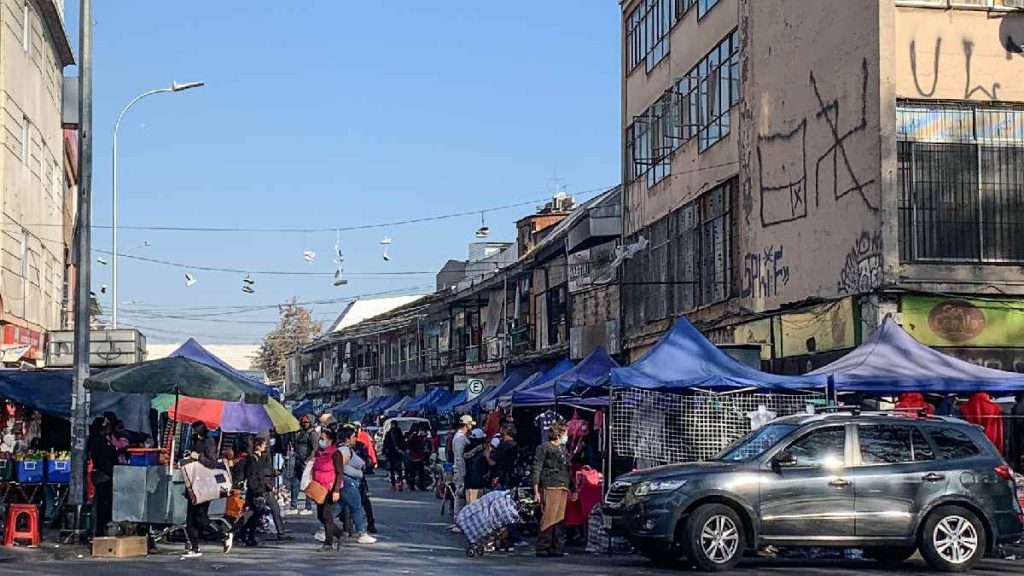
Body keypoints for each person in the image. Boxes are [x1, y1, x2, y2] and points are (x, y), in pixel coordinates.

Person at [183, 422, 232, 559]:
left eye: (193, 430)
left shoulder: (209, 442)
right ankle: (195, 547)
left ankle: (223, 534)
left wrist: (198, 457)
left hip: (204, 486)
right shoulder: (195, 441)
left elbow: (212, 462)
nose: (192, 432)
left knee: (201, 518)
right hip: (194, 484)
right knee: (190, 519)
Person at [532, 422, 575, 558]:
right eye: (565, 433)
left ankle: (556, 547)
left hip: (563, 485)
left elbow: (568, 470)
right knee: (549, 517)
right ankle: (543, 547)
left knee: (559, 518)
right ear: (559, 434)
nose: (566, 436)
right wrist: (536, 490)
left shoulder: (563, 449)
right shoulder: (544, 448)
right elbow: (537, 468)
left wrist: (573, 488)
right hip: (550, 485)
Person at [336, 427, 377, 544]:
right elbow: (340, 466)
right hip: (348, 482)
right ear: (347, 438)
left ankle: (324, 527)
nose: (355, 439)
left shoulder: (348, 449)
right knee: (356, 507)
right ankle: (361, 533)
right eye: (353, 436)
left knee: (339, 507)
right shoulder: (344, 450)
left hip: (350, 481)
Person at [312, 428, 345, 552]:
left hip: (330, 488)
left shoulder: (336, 453)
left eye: (323, 438)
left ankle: (328, 543)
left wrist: (336, 490)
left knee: (327, 515)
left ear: (330, 440)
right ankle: (340, 534)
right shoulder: (319, 452)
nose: (321, 441)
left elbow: (340, 472)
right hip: (319, 488)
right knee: (321, 516)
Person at [236, 437, 273, 546]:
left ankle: (242, 533)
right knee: (255, 514)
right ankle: (245, 534)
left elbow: (260, 475)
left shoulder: (259, 458)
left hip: (258, 489)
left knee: (254, 514)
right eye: (264, 444)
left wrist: (267, 486)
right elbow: (253, 476)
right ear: (258, 446)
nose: (265, 446)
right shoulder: (253, 459)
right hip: (255, 491)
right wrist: (257, 490)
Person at [86, 416, 117, 537]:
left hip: (104, 474)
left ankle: (100, 529)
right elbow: (105, 459)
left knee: (102, 503)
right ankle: (99, 530)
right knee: (102, 504)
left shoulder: (103, 440)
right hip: (103, 474)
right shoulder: (99, 442)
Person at [347, 424, 377, 534]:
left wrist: (367, 464)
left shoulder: (360, 446)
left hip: (358, 477)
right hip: (344, 478)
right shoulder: (340, 448)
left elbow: (365, 460)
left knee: (365, 500)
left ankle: (371, 523)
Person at [290, 415, 318, 516]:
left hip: (306, 462)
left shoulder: (312, 434)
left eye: (307, 422)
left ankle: (308, 506)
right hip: (298, 460)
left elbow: (315, 448)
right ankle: (293, 505)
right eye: (303, 422)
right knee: (295, 483)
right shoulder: (300, 433)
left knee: (307, 484)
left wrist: (309, 460)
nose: (305, 423)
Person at [451, 414, 474, 520]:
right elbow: (460, 457)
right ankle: (457, 518)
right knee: (460, 494)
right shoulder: (460, 438)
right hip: (460, 468)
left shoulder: (460, 436)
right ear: (467, 425)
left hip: (459, 468)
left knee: (460, 493)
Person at [464, 428, 490, 505]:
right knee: (477, 505)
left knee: (470, 504)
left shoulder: (467, 448)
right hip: (478, 481)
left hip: (469, 480)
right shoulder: (484, 449)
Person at [383, 422, 407, 492]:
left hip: (391, 454)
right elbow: (403, 443)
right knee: (399, 469)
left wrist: (384, 452)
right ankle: (400, 483)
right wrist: (402, 450)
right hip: (398, 454)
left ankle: (393, 485)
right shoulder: (400, 433)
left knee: (392, 469)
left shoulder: (389, 433)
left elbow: (385, 443)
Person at [493, 424, 519, 489]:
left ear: (504, 433)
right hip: (514, 476)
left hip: (503, 477)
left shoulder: (503, 445)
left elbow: (494, 460)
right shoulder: (516, 445)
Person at [405, 424, 429, 491]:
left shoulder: (410, 437)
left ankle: (412, 486)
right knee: (420, 473)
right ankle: (421, 486)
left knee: (413, 473)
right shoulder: (417, 437)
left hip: (413, 457)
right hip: (418, 457)